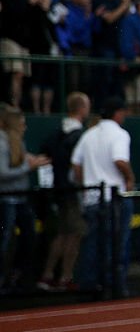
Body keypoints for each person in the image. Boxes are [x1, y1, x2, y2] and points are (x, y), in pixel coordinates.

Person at [71, 96, 135, 297]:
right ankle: (114, 285)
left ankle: (90, 284)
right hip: (113, 196)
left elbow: (76, 164)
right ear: (118, 113)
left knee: (92, 243)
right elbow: (120, 161)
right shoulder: (119, 134)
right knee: (116, 243)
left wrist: (86, 184)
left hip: (92, 196)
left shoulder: (89, 134)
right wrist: (130, 178)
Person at [38, 92, 90, 291]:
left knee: (62, 234)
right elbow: (77, 167)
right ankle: (65, 277)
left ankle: (48, 275)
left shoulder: (56, 133)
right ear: (82, 108)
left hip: (58, 191)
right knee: (73, 234)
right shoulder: (78, 136)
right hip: (71, 192)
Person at [0, 105, 50, 292]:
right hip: (6, 199)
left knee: (29, 237)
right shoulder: (2, 143)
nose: (25, 127)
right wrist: (29, 167)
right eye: (21, 123)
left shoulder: (17, 143)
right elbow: (3, 173)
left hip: (21, 198)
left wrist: (31, 162)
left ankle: (17, 276)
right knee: (5, 240)